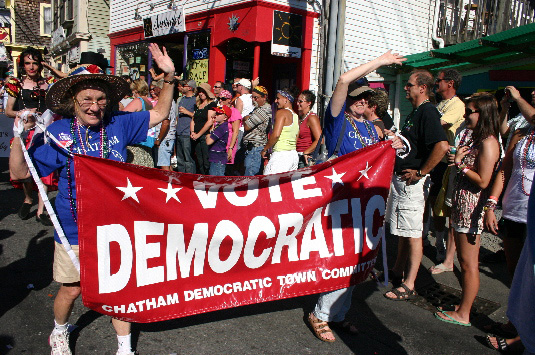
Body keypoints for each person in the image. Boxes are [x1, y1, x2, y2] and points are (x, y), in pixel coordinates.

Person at [9, 43, 175, 355]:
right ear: (74, 101)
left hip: (114, 225)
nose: (94, 105)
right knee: (72, 289)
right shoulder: (59, 131)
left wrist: (169, 76)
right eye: (87, 99)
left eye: (100, 99)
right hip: (73, 226)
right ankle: (59, 332)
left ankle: (124, 347)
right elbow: (20, 174)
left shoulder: (118, 123)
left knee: (119, 287)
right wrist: (19, 138)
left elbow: (161, 113)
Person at [307, 51, 406, 343]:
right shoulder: (337, 119)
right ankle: (320, 314)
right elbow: (342, 80)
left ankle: (337, 313)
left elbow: (383, 161)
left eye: (367, 98)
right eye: (357, 97)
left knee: (357, 261)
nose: (363, 101)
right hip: (339, 198)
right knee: (341, 257)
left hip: (365, 203)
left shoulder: (372, 128)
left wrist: (394, 145)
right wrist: (380, 62)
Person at [434, 92, 501, 326]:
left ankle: (465, 313)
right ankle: (465, 305)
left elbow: (483, 180)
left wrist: (461, 165)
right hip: (461, 204)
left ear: (482, 113)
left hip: (472, 208)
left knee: (468, 263)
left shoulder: (489, 142)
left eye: (470, 111)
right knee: (463, 261)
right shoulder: (476, 137)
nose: (466, 115)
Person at [384, 69, 449, 301]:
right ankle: (397, 270)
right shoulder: (415, 112)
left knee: (413, 234)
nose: (405, 88)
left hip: (413, 184)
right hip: (401, 181)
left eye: (409, 85)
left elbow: (441, 146)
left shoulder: (428, 111)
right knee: (402, 231)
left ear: (422, 88)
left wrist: (421, 172)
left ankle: (409, 283)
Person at [5, 47, 57, 226]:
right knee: (24, 172)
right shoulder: (15, 83)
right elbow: (8, 111)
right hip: (25, 131)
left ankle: (41, 210)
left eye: (35, 62)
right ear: (22, 65)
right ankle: (28, 199)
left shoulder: (48, 81)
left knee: (44, 170)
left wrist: (49, 67)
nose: (32, 67)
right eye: (27, 63)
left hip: (44, 132)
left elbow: (64, 79)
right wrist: (24, 112)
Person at [428, 69, 466, 271]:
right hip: (436, 160)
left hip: (448, 163)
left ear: (450, 83)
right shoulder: (439, 103)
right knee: (435, 202)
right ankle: (438, 240)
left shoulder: (457, 105)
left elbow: (437, 124)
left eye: (439, 80)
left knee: (446, 206)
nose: (436, 83)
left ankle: (444, 248)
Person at [261, 87, 300, 174]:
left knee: (269, 185)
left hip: (281, 156)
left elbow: (276, 135)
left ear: (286, 99)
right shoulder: (296, 116)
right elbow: (296, 138)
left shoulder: (281, 113)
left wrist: (265, 149)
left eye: (278, 98)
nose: (275, 101)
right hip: (293, 155)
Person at [122, 79, 155, 167]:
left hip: (137, 141)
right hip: (147, 140)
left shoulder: (138, 101)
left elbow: (122, 116)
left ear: (135, 90)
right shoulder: (148, 102)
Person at [242, 85, 272, 176]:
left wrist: (246, 118)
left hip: (255, 148)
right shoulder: (257, 109)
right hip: (252, 148)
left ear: (264, 97)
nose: (254, 100)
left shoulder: (263, 110)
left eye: (256, 97)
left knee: (250, 177)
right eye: (252, 97)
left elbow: (247, 126)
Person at [190, 83, 217, 174]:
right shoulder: (197, 105)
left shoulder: (211, 104)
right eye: (200, 92)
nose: (201, 94)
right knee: (199, 160)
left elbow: (210, 121)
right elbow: (193, 120)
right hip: (196, 135)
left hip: (204, 136)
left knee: (206, 161)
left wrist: (199, 134)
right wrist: (193, 132)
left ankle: (207, 180)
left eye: (203, 92)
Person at [296, 90, 322, 168]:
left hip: (305, 158)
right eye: (297, 101)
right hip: (296, 156)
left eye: (300, 101)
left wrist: (306, 152)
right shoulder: (299, 117)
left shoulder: (312, 118)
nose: (297, 103)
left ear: (309, 103)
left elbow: (320, 139)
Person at [175, 79, 197, 173]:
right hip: (179, 131)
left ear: (190, 88)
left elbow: (198, 116)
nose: (182, 87)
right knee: (180, 159)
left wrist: (187, 112)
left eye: (184, 86)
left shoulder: (195, 100)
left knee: (188, 159)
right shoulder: (182, 99)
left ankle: (189, 179)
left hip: (187, 132)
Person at [217, 89, 242, 170]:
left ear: (229, 100)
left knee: (226, 169)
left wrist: (230, 148)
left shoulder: (234, 112)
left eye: (223, 99)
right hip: (218, 144)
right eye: (219, 99)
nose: (220, 100)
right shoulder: (219, 110)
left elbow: (235, 132)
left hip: (229, 144)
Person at [206, 105, 231, 176]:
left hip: (217, 159)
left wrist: (208, 135)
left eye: (219, 114)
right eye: (216, 113)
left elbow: (209, 142)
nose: (216, 115)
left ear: (225, 117)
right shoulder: (220, 126)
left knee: (216, 182)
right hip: (216, 158)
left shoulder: (221, 128)